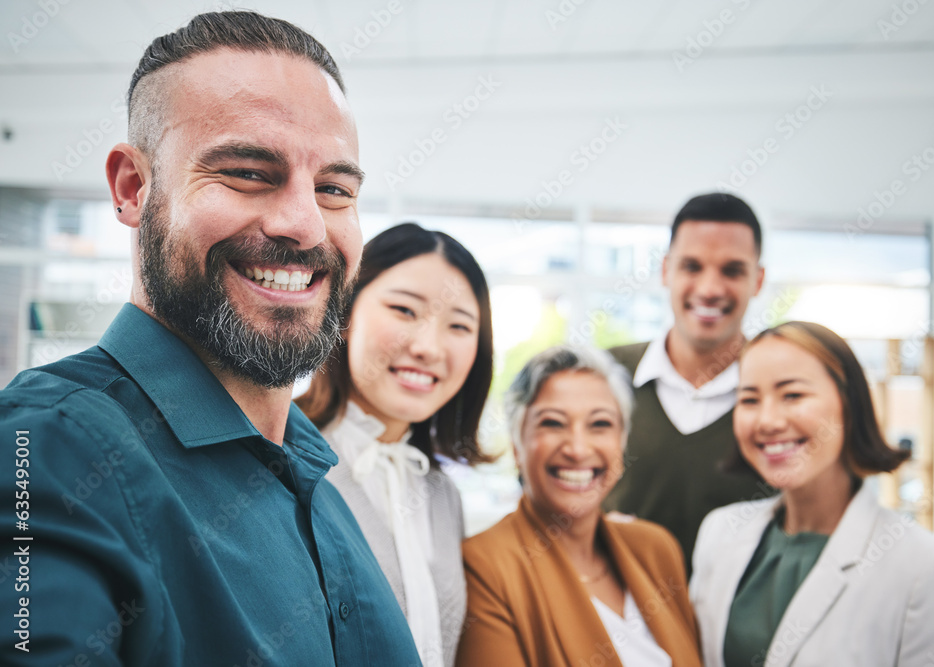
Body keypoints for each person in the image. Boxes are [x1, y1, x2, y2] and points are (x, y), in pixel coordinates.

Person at [0, 12, 421, 666]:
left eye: (334, 188)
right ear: (133, 187)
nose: (306, 226)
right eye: (250, 172)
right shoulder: (44, 453)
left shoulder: (315, 475)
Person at [689, 321, 934, 667]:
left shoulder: (932, 569)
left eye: (793, 395)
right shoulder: (720, 533)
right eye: (749, 399)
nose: (767, 421)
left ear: (850, 406)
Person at [296, 222, 494, 667]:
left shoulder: (443, 494)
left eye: (459, 325)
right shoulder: (287, 463)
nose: (428, 347)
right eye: (405, 311)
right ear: (343, 314)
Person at [457, 346, 702, 667]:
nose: (577, 448)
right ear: (517, 445)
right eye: (553, 423)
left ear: (622, 442)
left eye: (600, 424)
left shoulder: (656, 549)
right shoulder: (485, 567)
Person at [604, 192, 771, 574]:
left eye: (732, 270)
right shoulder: (605, 375)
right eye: (692, 266)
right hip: (609, 627)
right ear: (666, 270)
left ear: (757, 280)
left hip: (742, 630)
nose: (710, 288)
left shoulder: (777, 393)